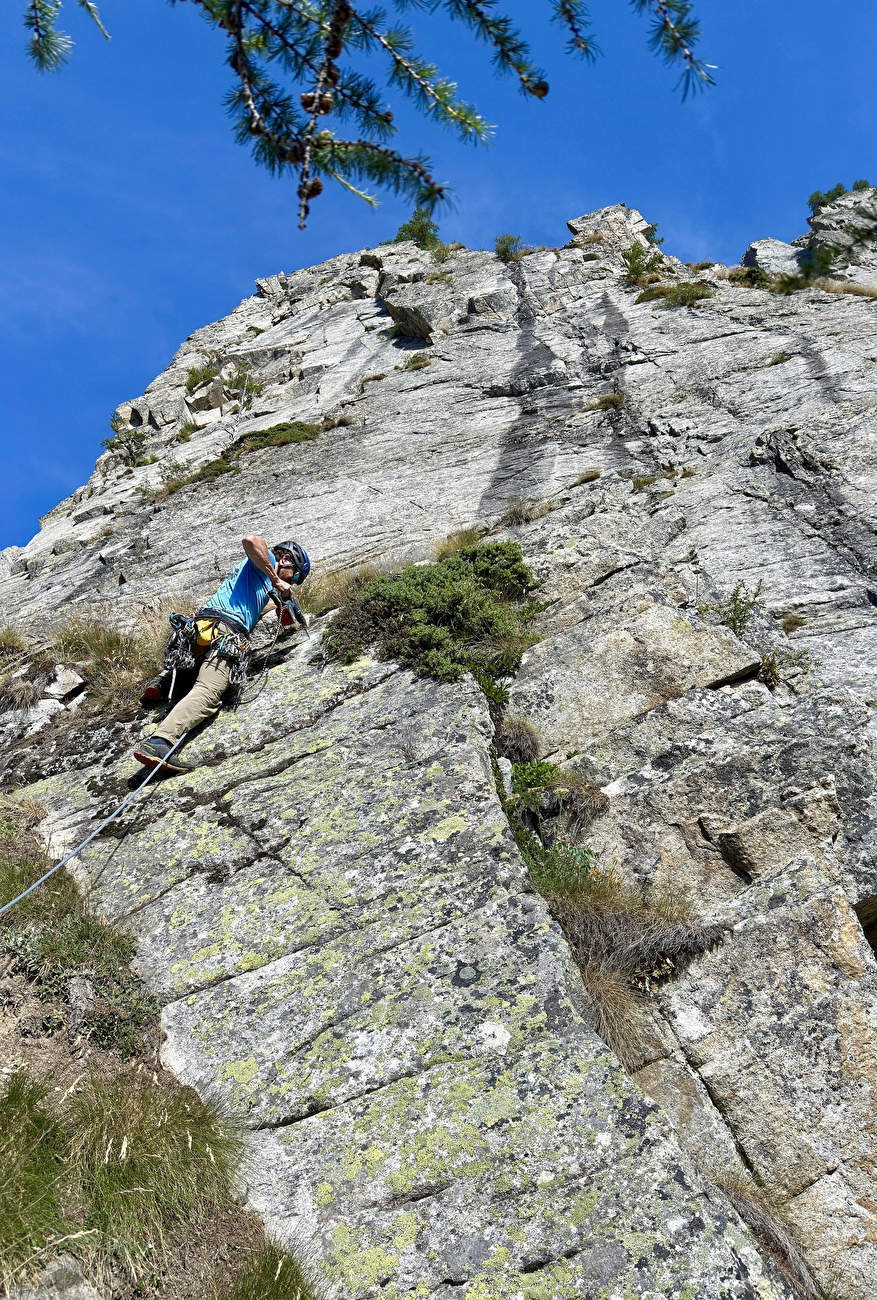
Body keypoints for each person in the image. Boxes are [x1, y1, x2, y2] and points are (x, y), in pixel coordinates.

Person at [133, 535, 310, 774]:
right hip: (225, 632)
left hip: (200, 628)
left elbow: (259, 610)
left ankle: (164, 680)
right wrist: (277, 579)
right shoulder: (266, 560)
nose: (295, 582)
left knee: (189, 671)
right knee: (209, 692)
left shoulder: (256, 582)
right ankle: (159, 742)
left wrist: (283, 603)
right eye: (296, 576)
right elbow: (250, 541)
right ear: (287, 560)